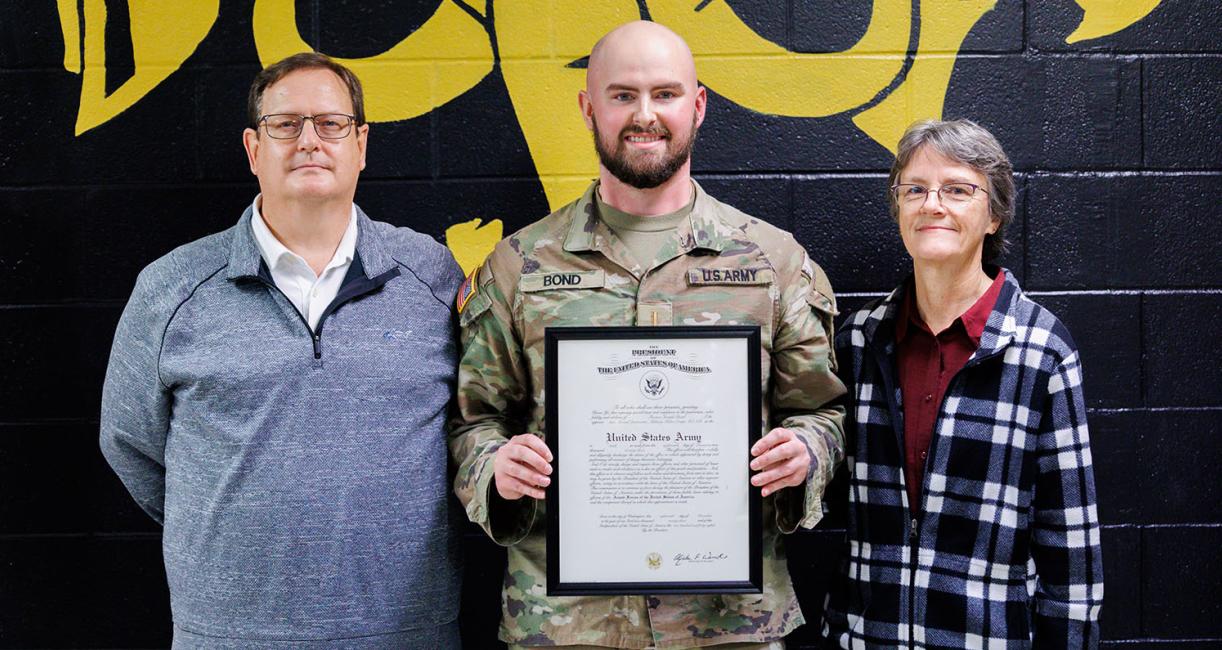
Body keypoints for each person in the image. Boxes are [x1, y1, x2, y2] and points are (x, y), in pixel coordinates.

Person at [450, 20, 845, 649]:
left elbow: (820, 411)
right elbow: (474, 422)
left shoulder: (773, 262)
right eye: (622, 95)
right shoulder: (520, 265)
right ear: (588, 108)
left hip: (727, 626)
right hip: (566, 627)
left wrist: (805, 454)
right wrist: (496, 469)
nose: (645, 114)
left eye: (664, 93)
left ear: (698, 104)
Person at [100, 53, 464, 648]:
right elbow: (130, 444)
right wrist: (230, 526)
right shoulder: (171, 288)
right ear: (253, 148)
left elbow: (471, 425)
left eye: (331, 124)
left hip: (404, 630)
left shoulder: (432, 277)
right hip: (229, 633)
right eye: (285, 125)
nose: (309, 141)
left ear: (361, 144)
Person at [823, 119, 1103, 648]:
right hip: (864, 637)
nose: (933, 204)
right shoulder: (859, 342)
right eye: (916, 189)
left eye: (957, 189)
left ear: (994, 215)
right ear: (899, 208)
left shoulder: (1041, 351)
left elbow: (1072, 546)